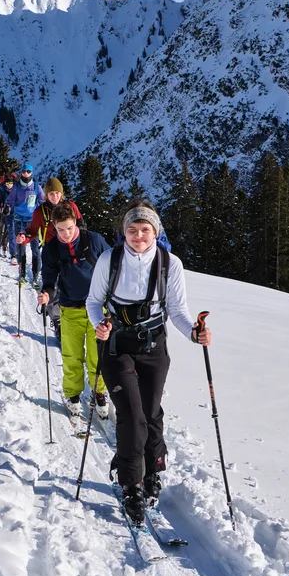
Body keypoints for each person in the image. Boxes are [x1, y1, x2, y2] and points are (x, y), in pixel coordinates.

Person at [86, 202, 212, 526]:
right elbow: (93, 301)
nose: (138, 236)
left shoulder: (170, 264)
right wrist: (99, 322)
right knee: (131, 413)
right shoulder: (109, 261)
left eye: (145, 230)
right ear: (123, 232)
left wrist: (194, 334)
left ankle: (154, 467)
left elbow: (178, 310)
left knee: (152, 411)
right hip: (116, 345)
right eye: (132, 229)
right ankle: (132, 483)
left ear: (156, 232)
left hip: (154, 344)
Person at [36, 203, 109, 419]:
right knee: (72, 356)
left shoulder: (93, 240)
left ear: (75, 223)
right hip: (69, 308)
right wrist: (47, 293)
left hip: (98, 308)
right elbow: (49, 279)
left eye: (69, 228)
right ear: (54, 228)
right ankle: (72, 394)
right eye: (60, 229)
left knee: (98, 355)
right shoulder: (50, 249)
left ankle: (99, 392)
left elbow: (113, 266)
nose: (66, 234)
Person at [17, 177, 83, 335]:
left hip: (71, 250)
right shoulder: (40, 212)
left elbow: (81, 226)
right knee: (52, 286)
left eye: (57, 193)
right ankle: (58, 322)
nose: (55, 196)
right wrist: (24, 238)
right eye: (51, 193)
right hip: (51, 252)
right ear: (46, 195)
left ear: (62, 194)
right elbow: (32, 231)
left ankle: (75, 316)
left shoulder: (71, 207)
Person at [5, 164, 40, 283]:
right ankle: (22, 273)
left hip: (33, 221)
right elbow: (10, 200)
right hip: (19, 220)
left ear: (31, 173)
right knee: (21, 248)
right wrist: (7, 207)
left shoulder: (36, 187)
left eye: (28, 171)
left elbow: (41, 201)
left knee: (35, 249)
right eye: (24, 171)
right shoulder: (16, 187)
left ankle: (35, 275)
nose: (26, 174)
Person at [0, 174, 15, 258]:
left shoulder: (16, 190)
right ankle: (4, 247)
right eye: (7, 184)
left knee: (12, 232)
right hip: (5, 213)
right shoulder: (1, 190)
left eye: (10, 183)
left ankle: (14, 252)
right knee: (4, 230)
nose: (9, 185)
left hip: (15, 213)